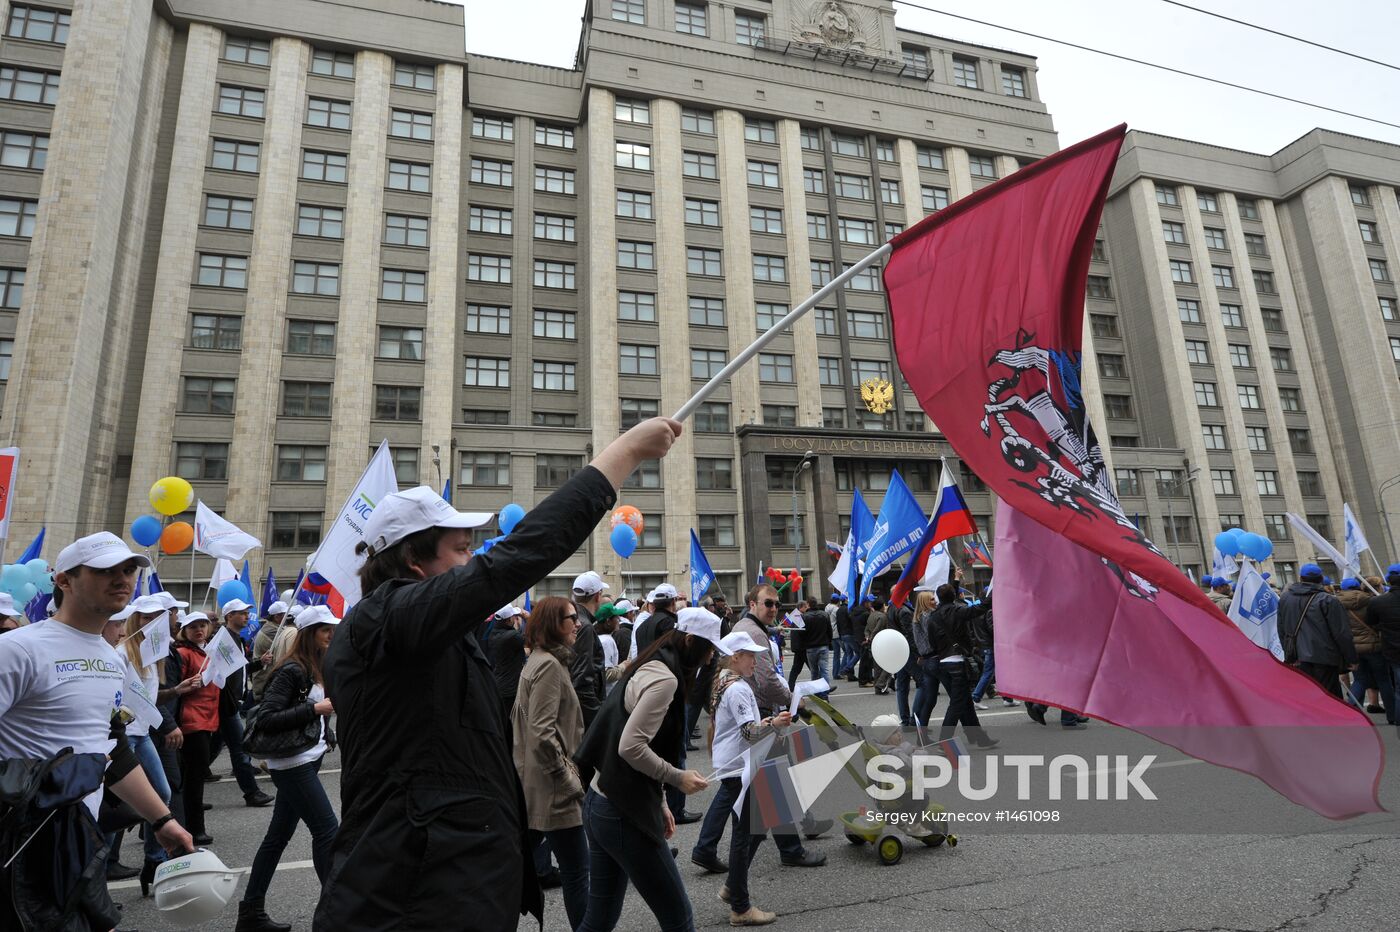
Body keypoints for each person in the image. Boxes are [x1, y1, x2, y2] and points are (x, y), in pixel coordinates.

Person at [315, 416, 681, 932]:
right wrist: (623, 455)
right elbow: (509, 562)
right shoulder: (384, 620)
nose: (472, 564)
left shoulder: (422, 632)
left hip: (450, 879)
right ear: (414, 561)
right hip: (413, 894)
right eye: (461, 550)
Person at [0, 532, 193, 930]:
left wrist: (161, 820)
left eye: (127, 570)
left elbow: (113, 749)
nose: (122, 578)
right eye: (105, 570)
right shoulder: (18, 649)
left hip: (82, 843)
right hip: (20, 845)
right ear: (65, 581)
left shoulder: (112, 657)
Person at [573, 609, 724, 932]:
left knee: (599, 918)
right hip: (623, 811)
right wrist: (677, 778)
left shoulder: (654, 661)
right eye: (709, 648)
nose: (711, 657)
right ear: (689, 641)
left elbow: (638, 743)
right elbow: (630, 746)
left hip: (601, 801)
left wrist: (661, 801)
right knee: (678, 918)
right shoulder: (665, 679)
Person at [236, 605, 340, 932]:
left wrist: (327, 727)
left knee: (277, 837)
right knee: (328, 831)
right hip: (292, 762)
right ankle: (337, 914)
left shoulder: (317, 667)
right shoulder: (292, 669)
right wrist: (315, 710)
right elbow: (266, 717)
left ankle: (251, 912)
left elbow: (316, 708)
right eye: (326, 630)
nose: (332, 635)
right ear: (310, 634)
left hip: (309, 756)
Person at [729, 584, 825, 867]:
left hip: (757, 711)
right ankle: (788, 849)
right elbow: (766, 680)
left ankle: (794, 841)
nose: (774, 609)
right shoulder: (754, 632)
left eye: (776, 604)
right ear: (752, 603)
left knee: (769, 781)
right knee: (765, 784)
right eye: (768, 603)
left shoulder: (747, 627)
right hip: (760, 714)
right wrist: (794, 700)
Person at [512, 596, 590, 929]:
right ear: (552, 625)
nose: (578, 623)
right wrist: (567, 775)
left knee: (515, 866)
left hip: (537, 782)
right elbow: (542, 733)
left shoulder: (542, 660)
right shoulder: (547, 665)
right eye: (571, 617)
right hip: (553, 786)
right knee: (577, 871)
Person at [118, 595, 202, 893]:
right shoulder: (123, 652)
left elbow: (152, 697)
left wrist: (177, 690)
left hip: (142, 735)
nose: (152, 622)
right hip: (124, 736)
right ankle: (103, 866)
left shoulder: (156, 655)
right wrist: (168, 724)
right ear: (135, 620)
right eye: (145, 617)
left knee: (162, 793)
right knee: (121, 801)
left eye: (158, 616)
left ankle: (153, 862)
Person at [710, 630, 791, 927]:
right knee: (746, 833)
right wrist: (773, 724)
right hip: (739, 766)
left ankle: (734, 886)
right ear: (735, 657)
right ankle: (740, 907)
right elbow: (748, 732)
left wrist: (770, 721)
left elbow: (744, 727)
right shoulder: (739, 688)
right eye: (750, 655)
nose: (756, 661)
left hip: (733, 763)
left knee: (757, 826)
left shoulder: (725, 681)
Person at [206, 599, 274, 808]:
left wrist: (258, 663)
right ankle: (252, 793)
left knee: (208, 751)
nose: (246, 616)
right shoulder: (223, 640)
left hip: (231, 702)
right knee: (239, 748)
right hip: (226, 705)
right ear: (229, 617)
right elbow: (216, 674)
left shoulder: (236, 638)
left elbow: (239, 669)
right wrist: (228, 701)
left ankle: (185, 789)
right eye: (241, 613)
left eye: (246, 613)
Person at [926, 584, 998, 748]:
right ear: (954, 596)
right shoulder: (958, 611)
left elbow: (932, 642)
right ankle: (944, 742)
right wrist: (996, 590)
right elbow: (982, 607)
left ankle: (980, 738)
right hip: (958, 661)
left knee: (965, 702)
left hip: (943, 663)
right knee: (957, 704)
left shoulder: (933, 617)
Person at [174, 610, 221, 845]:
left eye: (202, 625)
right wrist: (192, 684)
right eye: (193, 627)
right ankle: (195, 828)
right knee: (193, 778)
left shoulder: (208, 651)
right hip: (192, 721)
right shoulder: (183, 653)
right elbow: (175, 689)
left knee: (186, 777)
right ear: (184, 630)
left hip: (207, 718)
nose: (199, 629)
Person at [1278, 563, 1357, 697]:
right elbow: (1342, 633)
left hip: (1297, 657)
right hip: (1325, 657)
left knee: (1307, 696)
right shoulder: (1328, 599)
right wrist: (1351, 658)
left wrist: (1288, 653)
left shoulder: (1285, 598)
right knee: (1329, 697)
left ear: (1301, 578)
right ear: (1320, 578)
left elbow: (1281, 629)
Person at [1338, 578, 1392, 722]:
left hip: (1353, 647)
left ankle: (1351, 712)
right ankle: (1392, 714)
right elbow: (1377, 622)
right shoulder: (1370, 601)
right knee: (1383, 680)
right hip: (1374, 645)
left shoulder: (1336, 604)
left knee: (1360, 680)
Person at [1363, 565, 1400, 735]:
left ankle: (1397, 718)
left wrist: (1383, 627)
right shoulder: (1377, 600)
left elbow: (1371, 622)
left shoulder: (1378, 602)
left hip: (1392, 649)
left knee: (1398, 686)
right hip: (1390, 648)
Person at [571, 571, 610, 727]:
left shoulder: (577, 620)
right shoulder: (584, 626)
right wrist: (596, 721)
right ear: (597, 596)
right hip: (585, 712)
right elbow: (582, 678)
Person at [486, 603, 528, 727]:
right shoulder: (512, 636)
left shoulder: (494, 633)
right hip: (510, 689)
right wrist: (527, 618)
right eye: (514, 617)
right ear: (509, 620)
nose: (516, 619)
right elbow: (531, 638)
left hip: (500, 684)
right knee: (511, 725)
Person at [250, 601, 290, 700]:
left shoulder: (273, 627)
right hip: (264, 680)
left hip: (266, 679)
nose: (287, 618)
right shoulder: (271, 630)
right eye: (285, 615)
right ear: (277, 617)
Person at [800, 599, 833, 696]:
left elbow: (802, 633)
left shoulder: (804, 617)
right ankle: (825, 692)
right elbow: (829, 630)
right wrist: (828, 641)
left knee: (814, 671)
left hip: (811, 647)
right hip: (823, 645)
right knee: (824, 670)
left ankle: (816, 691)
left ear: (809, 605)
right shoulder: (824, 615)